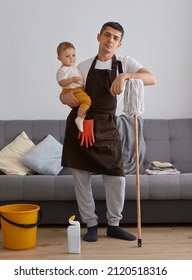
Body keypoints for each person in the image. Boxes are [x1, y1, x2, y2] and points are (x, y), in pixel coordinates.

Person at [60, 22, 156, 242]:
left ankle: (114, 224)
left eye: (115, 38)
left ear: (119, 43)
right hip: (81, 125)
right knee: (81, 179)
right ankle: (91, 224)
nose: (110, 40)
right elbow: (65, 94)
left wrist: (125, 76)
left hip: (108, 127)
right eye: (107, 35)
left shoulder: (125, 63)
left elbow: (151, 78)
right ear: (98, 37)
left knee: (116, 178)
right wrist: (64, 98)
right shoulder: (83, 66)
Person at [57, 42, 91, 132]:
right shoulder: (62, 70)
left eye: (73, 55)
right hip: (73, 90)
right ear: (59, 58)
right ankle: (79, 118)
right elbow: (61, 82)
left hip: (78, 90)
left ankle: (80, 116)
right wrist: (72, 80)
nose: (71, 58)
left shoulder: (74, 67)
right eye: (67, 56)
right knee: (87, 101)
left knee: (80, 105)